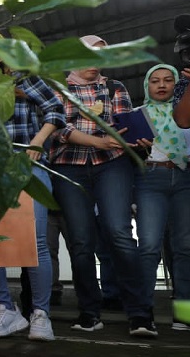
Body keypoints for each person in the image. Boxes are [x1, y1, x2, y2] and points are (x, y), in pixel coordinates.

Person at [49, 35, 153, 337]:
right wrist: (97, 140)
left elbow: (126, 125)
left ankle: (140, 313)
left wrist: (138, 140)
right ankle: (89, 312)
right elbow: (57, 128)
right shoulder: (59, 89)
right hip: (69, 166)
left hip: (112, 164)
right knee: (81, 242)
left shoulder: (114, 87)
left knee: (119, 233)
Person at [0, 33, 65, 342]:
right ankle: (5, 309)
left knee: (35, 242)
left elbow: (56, 110)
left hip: (28, 165)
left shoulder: (24, 79)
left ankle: (40, 313)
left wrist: (37, 142)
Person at [135, 64, 190, 330]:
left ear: (176, 84)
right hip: (150, 179)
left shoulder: (187, 114)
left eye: (169, 80)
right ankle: (143, 315)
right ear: (147, 85)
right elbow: (125, 157)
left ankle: (184, 314)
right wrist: (138, 149)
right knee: (148, 247)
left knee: (185, 248)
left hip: (185, 179)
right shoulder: (137, 116)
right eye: (155, 80)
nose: (162, 85)